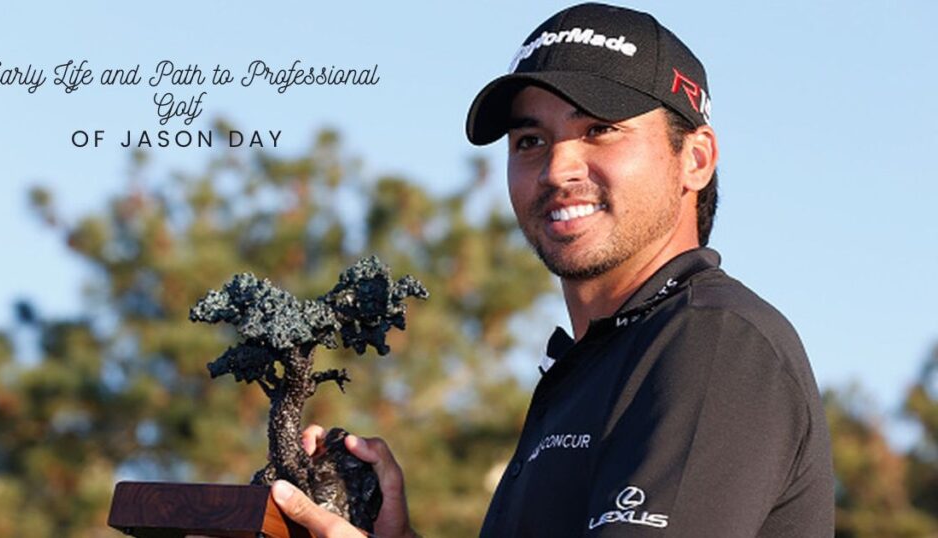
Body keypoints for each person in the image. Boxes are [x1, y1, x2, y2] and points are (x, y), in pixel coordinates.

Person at [270, 3, 835, 536]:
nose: (558, 167)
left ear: (695, 158)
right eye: (531, 140)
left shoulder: (713, 341)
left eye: (600, 129)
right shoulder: (592, 367)